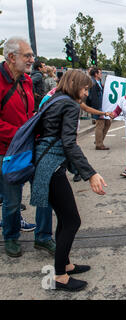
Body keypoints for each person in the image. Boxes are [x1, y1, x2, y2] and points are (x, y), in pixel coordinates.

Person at [31, 69, 107, 292]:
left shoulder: (55, 99)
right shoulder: (70, 105)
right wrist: (90, 173)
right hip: (52, 167)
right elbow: (69, 143)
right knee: (72, 221)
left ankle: (64, 263)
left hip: (44, 163)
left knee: (65, 219)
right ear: (75, 85)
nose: (85, 94)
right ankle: (60, 276)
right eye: (84, 89)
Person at [0, 37, 39, 257]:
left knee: (41, 189)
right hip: (5, 152)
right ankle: (11, 237)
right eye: (27, 55)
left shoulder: (27, 80)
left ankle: (43, 236)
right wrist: (18, 133)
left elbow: (27, 112)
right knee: (12, 199)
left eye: (32, 55)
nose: (32, 59)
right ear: (11, 57)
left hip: (26, 147)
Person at [87, 67, 110, 150]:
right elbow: (94, 99)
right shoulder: (93, 84)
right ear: (96, 74)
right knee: (100, 125)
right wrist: (99, 112)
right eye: (100, 73)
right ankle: (99, 144)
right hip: (97, 108)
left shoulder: (98, 82)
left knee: (108, 122)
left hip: (101, 107)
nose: (101, 74)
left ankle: (98, 140)